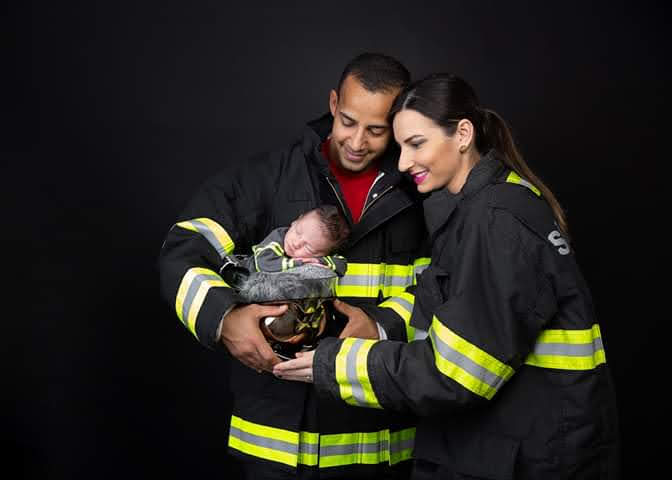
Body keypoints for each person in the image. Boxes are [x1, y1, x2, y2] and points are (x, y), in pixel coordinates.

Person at [273, 73, 621, 479]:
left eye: (416, 144)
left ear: (463, 134)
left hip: (527, 456)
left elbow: (457, 375)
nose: (403, 163)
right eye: (400, 147)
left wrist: (335, 363)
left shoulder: (495, 222)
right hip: (504, 447)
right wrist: (377, 326)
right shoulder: (480, 208)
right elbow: (443, 297)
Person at [159, 53, 430, 479]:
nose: (357, 142)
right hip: (279, 450)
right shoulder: (268, 178)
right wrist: (223, 318)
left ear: (399, 123)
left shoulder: (423, 194)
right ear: (334, 102)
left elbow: (448, 286)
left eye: (377, 130)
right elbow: (186, 248)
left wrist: (382, 325)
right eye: (348, 122)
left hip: (385, 450)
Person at [238, 204, 350, 275]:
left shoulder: (318, 258)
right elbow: (265, 264)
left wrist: (318, 262)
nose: (296, 243)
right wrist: (302, 263)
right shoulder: (278, 238)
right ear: (296, 221)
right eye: (298, 232)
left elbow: (342, 265)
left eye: (308, 247)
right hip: (245, 274)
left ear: (322, 254)